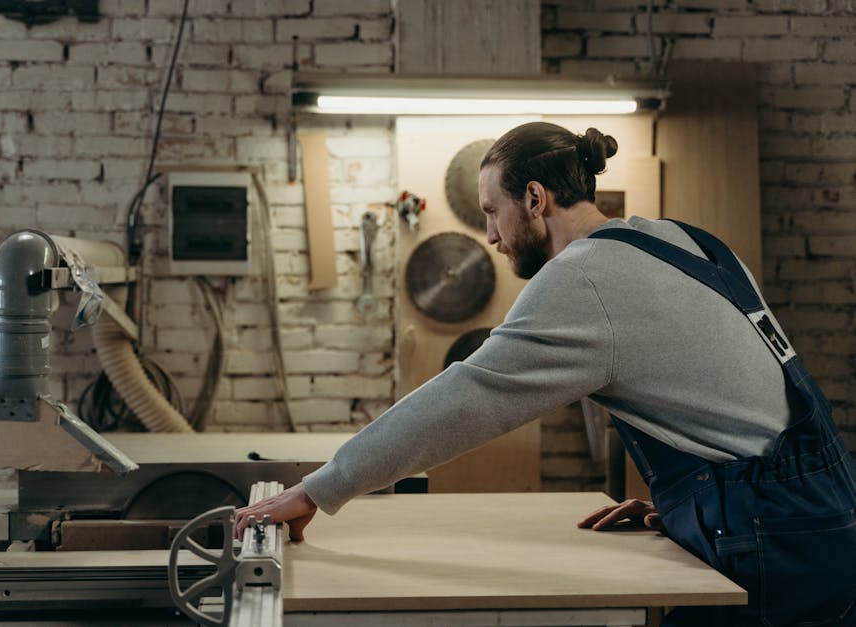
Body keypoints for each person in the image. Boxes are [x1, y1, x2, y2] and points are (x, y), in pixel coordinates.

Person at [234, 122, 856, 626]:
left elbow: (466, 397)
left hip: (775, 537)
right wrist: (691, 511)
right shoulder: (678, 237)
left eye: (492, 212)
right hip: (822, 510)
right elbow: (742, 403)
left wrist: (318, 489)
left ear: (535, 198)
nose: (491, 237)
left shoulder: (584, 278)